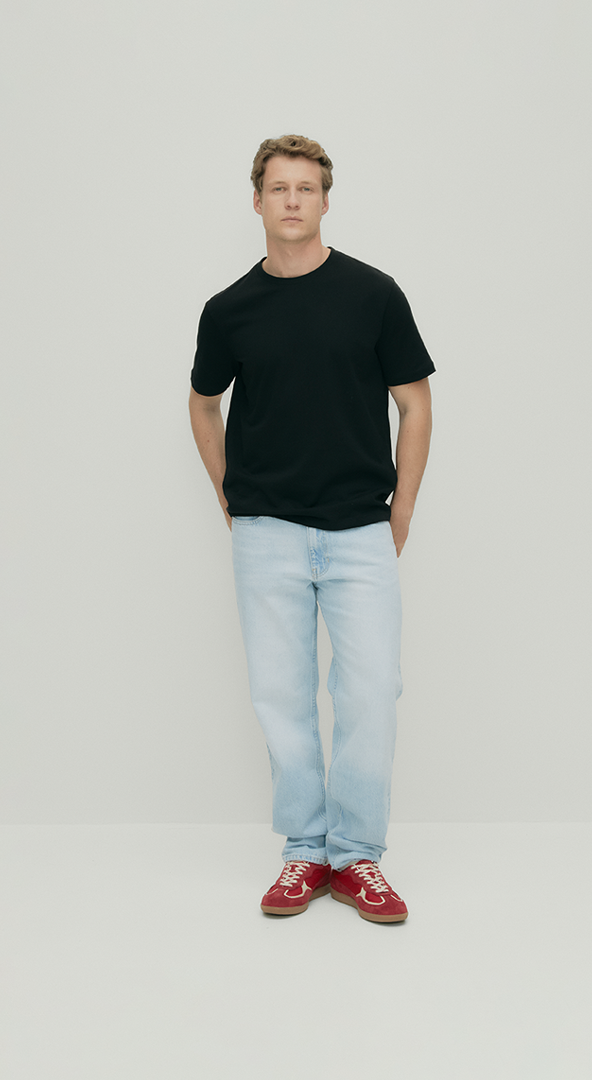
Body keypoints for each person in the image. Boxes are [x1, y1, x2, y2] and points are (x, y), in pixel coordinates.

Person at [189, 135, 434, 923]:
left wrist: (401, 509)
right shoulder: (228, 310)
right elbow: (203, 404)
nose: (292, 199)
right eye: (278, 187)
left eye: (305, 187)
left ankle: (356, 856)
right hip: (267, 532)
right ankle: (305, 851)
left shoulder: (373, 295)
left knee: (371, 691)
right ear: (257, 201)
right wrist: (228, 493)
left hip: (360, 529)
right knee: (280, 695)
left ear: (326, 200)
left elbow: (415, 403)